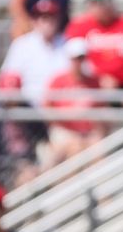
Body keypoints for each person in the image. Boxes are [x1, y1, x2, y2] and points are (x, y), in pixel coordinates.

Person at [0, 72, 48, 190]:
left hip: (29, 164)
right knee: (27, 176)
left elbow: (45, 142)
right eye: (7, 95)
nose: (10, 100)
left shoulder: (28, 109)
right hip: (2, 166)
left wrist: (46, 166)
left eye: (13, 95)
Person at [43, 37, 105, 165]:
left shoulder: (94, 82)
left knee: (98, 150)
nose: (78, 62)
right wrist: (68, 115)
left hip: (88, 132)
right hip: (64, 131)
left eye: (81, 58)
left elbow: (102, 110)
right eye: (75, 58)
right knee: (74, 148)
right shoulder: (58, 81)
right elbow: (46, 110)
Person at [0, 0, 69, 108]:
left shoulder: (68, 44)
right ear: (33, 20)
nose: (47, 22)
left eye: (51, 16)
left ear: (58, 19)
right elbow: (9, 78)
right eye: (42, 17)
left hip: (62, 108)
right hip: (29, 108)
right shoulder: (21, 45)